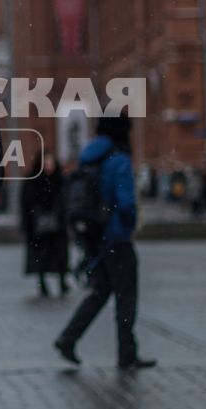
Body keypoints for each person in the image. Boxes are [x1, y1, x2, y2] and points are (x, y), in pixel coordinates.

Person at [52, 115, 153, 370]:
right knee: (126, 295)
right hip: (116, 238)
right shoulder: (118, 160)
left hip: (94, 236)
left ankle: (68, 338)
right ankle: (126, 354)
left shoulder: (89, 157)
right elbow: (127, 202)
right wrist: (127, 225)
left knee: (100, 291)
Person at [18, 140, 69, 297]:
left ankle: (62, 281)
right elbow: (26, 204)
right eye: (46, 162)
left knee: (59, 254)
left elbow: (65, 201)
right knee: (40, 256)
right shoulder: (33, 180)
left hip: (57, 225)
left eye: (50, 162)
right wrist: (28, 223)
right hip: (37, 226)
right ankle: (42, 284)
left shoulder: (60, 180)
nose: (48, 165)